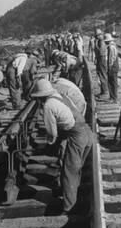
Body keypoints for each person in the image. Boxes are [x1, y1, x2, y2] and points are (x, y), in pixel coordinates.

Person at [31, 79, 95, 213]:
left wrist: (49, 143)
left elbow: (52, 133)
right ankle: (72, 196)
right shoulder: (60, 95)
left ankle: (69, 206)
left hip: (77, 134)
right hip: (86, 131)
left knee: (69, 171)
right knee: (75, 167)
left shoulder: (48, 105)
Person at [104, 33, 119, 103]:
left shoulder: (111, 47)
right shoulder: (113, 46)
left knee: (112, 82)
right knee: (112, 82)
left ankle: (113, 98)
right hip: (114, 66)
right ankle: (112, 97)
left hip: (112, 66)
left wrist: (109, 67)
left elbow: (111, 59)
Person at [94, 29, 108, 99]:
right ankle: (103, 91)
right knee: (101, 75)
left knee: (103, 75)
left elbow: (101, 52)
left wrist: (96, 44)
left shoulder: (101, 42)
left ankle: (105, 92)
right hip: (100, 59)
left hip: (102, 59)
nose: (97, 37)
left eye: (98, 35)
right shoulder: (99, 41)